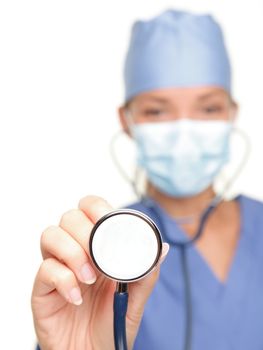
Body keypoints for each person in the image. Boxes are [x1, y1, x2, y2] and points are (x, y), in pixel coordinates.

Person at [31, 9, 263, 350]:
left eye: (209, 108)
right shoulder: (100, 252)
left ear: (232, 114)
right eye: (157, 110)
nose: (185, 130)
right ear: (127, 121)